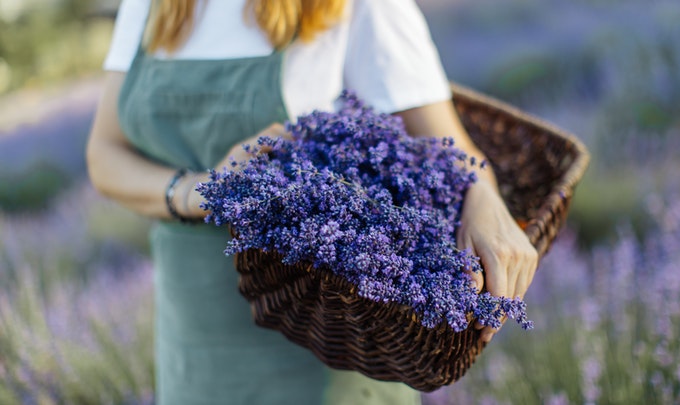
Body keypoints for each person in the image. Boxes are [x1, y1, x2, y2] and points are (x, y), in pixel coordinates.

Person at [86, 0, 538, 403]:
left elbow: (448, 150)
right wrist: (202, 191)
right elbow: (103, 153)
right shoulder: (151, 6)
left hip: (325, 343)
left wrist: (486, 201)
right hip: (193, 334)